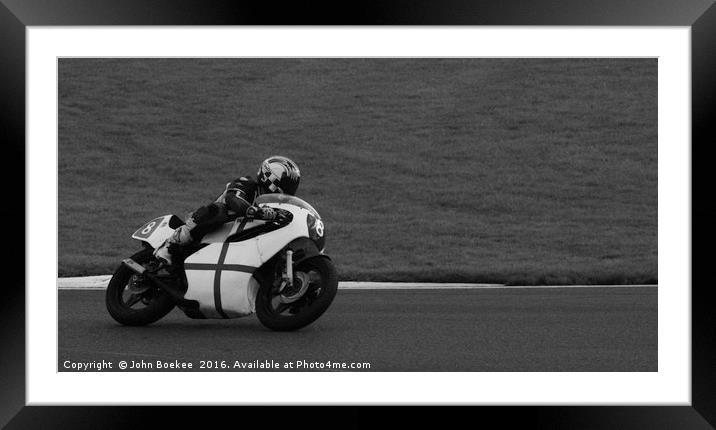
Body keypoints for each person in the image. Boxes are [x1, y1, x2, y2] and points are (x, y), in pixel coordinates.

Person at [153, 155, 301, 266]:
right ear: (271, 177)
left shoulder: (275, 206)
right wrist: (256, 212)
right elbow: (233, 200)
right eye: (288, 184)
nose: (290, 190)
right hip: (214, 229)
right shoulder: (246, 183)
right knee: (218, 211)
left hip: (238, 242)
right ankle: (169, 245)